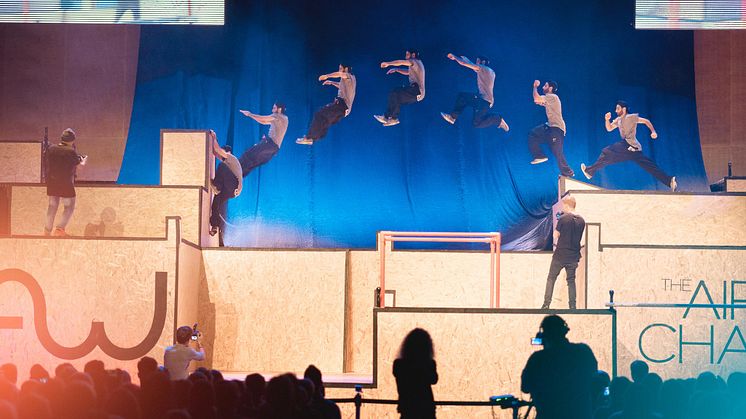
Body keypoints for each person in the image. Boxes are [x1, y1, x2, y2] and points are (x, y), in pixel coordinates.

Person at [581, 101, 677, 191]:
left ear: (624, 109)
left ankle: (590, 171)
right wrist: (607, 120)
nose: (616, 110)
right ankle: (669, 181)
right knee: (608, 158)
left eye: (618, 108)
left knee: (607, 151)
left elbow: (646, 121)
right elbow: (609, 128)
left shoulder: (631, 117)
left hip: (631, 145)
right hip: (629, 150)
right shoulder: (618, 120)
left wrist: (653, 132)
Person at [521, 315, 598, 419]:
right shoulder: (583, 351)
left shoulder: (538, 359)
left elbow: (525, 387)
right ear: (564, 331)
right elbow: (594, 378)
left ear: (544, 335)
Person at [440, 53, 509, 132]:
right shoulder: (489, 71)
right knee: (475, 122)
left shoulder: (483, 68)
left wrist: (455, 57)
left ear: (482, 62)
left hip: (484, 101)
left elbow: (465, 64)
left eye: (477, 61)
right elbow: (471, 65)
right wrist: (465, 58)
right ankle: (452, 117)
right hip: (483, 100)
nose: (476, 64)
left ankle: (497, 119)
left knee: (463, 97)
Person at [541, 195, 585, 309]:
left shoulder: (563, 219)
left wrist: (558, 221)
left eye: (564, 205)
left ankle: (546, 304)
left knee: (551, 278)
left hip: (560, 256)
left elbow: (555, 236)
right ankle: (572, 306)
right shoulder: (582, 221)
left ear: (566, 205)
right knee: (571, 281)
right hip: (573, 256)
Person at [297, 64, 357, 145]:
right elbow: (341, 86)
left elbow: (340, 74)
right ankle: (313, 139)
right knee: (325, 121)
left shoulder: (348, 75)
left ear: (346, 68)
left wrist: (327, 76)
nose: (339, 70)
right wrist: (332, 82)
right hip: (344, 111)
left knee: (319, 114)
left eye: (340, 68)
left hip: (341, 106)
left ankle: (309, 138)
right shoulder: (351, 79)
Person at [45, 128, 87, 236]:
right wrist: (84, 160)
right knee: (69, 206)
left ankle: (47, 231)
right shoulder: (70, 151)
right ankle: (59, 229)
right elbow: (80, 167)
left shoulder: (51, 148)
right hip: (65, 183)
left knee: (52, 206)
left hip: (52, 182)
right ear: (72, 140)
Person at [529, 80, 574, 177]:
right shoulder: (549, 99)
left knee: (557, 151)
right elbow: (537, 100)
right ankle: (539, 155)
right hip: (550, 127)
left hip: (557, 128)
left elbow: (536, 99)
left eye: (545, 86)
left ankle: (568, 172)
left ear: (550, 88)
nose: (543, 87)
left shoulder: (552, 96)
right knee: (533, 134)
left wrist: (535, 87)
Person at [393, 328, 438, 419]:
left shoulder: (399, 365)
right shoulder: (429, 364)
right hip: (426, 408)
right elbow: (434, 379)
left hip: (408, 408)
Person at [374, 50, 425, 126]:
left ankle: (391, 118)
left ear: (413, 55)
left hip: (417, 91)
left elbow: (400, 62)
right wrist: (397, 70)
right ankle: (390, 118)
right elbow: (408, 72)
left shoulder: (414, 61)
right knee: (396, 97)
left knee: (396, 92)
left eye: (407, 54)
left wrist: (388, 63)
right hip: (416, 93)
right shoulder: (417, 65)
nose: (405, 56)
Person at [208, 130, 242, 246]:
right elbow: (215, 152)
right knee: (215, 203)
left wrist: (214, 137)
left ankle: (216, 186)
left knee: (221, 166)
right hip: (229, 190)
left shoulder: (230, 158)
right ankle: (215, 226)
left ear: (228, 152)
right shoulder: (227, 161)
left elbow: (218, 150)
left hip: (233, 185)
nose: (221, 156)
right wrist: (213, 142)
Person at [238, 102, 289, 177]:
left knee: (248, 155)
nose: (272, 110)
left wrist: (249, 114)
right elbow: (263, 121)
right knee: (253, 162)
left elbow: (263, 118)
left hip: (270, 144)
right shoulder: (283, 119)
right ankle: (238, 179)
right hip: (274, 149)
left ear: (279, 109)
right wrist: (251, 116)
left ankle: (234, 170)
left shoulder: (278, 116)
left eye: (274, 108)